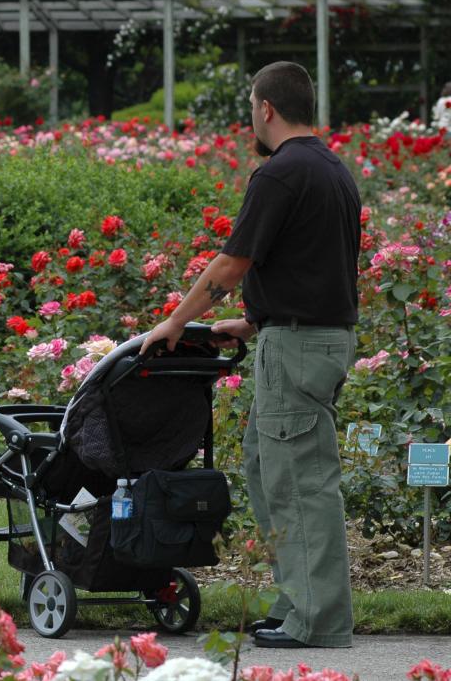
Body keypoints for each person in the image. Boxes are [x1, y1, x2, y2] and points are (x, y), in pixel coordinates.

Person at [140, 61, 361, 650]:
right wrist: (255, 320)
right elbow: (317, 265)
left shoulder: (281, 174)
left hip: (299, 347)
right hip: (298, 336)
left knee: (300, 484)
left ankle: (319, 621)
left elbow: (231, 264)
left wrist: (173, 322)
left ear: (265, 108)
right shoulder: (332, 169)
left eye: (250, 108)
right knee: (271, 470)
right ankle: (297, 605)